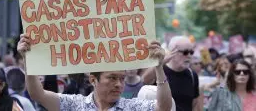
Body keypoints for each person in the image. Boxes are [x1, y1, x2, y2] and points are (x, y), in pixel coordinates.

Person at [17, 34, 173, 111]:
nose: (118, 84)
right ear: (93, 80)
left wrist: (158, 67)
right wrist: (28, 60)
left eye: (122, 78)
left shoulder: (131, 107)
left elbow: (163, 107)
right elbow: (38, 94)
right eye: (112, 78)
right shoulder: (75, 104)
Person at [142, 36, 201, 111]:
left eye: (191, 52)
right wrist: (160, 63)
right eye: (185, 52)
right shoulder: (160, 71)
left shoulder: (192, 75)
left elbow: (194, 104)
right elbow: (144, 80)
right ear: (172, 52)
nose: (189, 56)